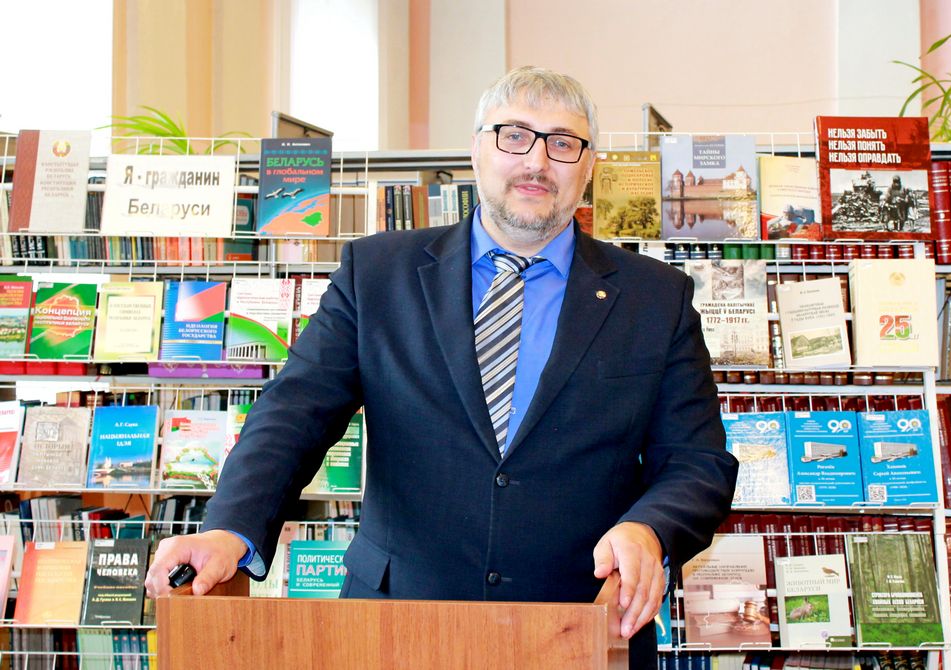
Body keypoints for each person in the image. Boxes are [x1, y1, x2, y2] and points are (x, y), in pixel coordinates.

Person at [145, 66, 738, 669]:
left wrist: (650, 530)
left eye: (563, 143)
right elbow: (293, 414)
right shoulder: (377, 273)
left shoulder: (655, 297)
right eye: (514, 136)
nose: (537, 161)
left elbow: (698, 461)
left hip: (582, 627)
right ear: (477, 148)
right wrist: (231, 529)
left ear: (588, 167)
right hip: (395, 626)